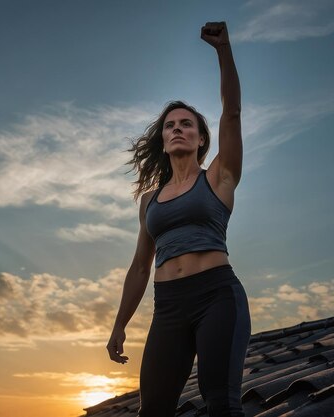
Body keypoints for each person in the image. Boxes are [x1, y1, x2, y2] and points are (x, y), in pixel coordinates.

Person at [106, 22, 251, 417]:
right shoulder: (149, 201)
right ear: (164, 140)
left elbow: (232, 113)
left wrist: (224, 52)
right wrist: (119, 325)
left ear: (201, 138)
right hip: (168, 306)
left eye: (186, 124)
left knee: (220, 403)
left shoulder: (218, 178)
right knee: (152, 409)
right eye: (171, 125)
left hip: (217, 296)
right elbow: (139, 267)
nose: (177, 129)